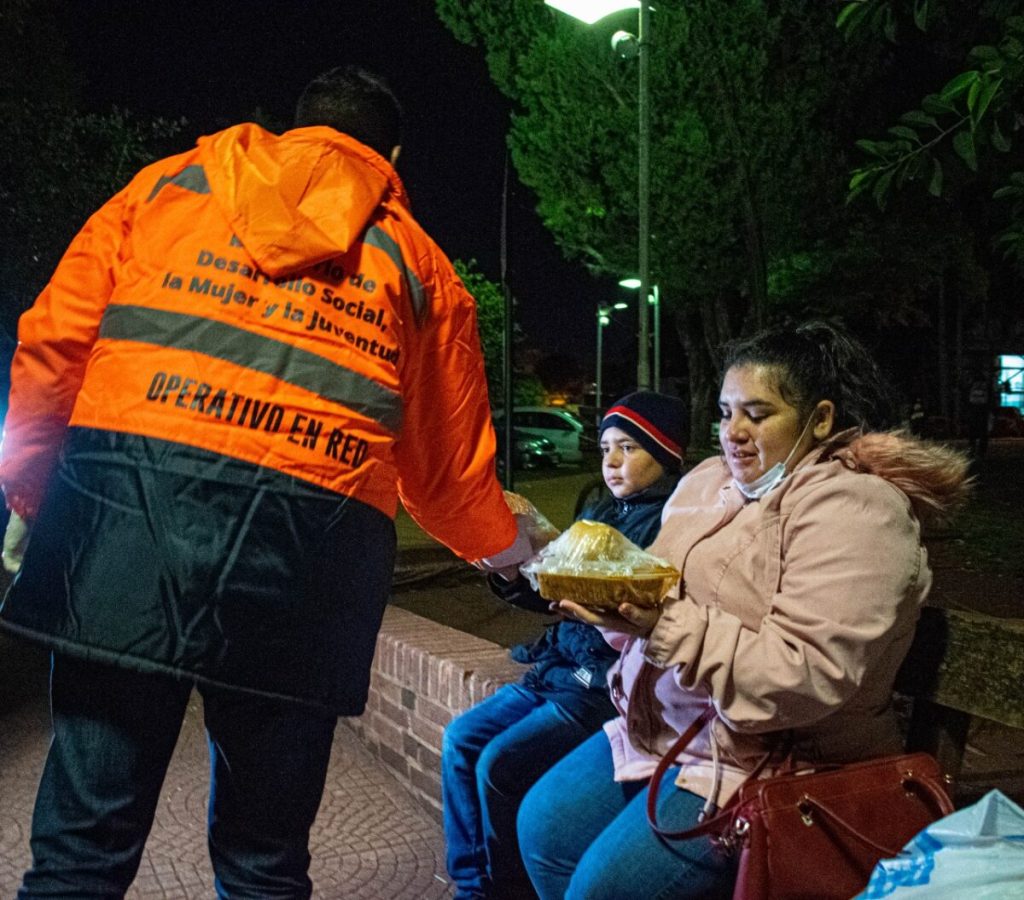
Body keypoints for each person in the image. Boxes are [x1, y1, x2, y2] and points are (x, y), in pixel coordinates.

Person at [0, 66, 533, 898]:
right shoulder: (418, 267)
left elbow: (50, 349)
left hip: (128, 526)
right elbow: (445, 472)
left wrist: (34, 494)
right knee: (264, 862)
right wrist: (511, 555)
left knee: (78, 852)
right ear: (389, 155)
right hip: (307, 567)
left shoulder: (166, 189)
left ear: (297, 129)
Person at [516, 321, 971, 900]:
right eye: (726, 413)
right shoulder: (711, 481)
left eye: (757, 414)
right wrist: (605, 604)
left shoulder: (859, 510)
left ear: (821, 419)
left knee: (601, 889)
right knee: (543, 827)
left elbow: (806, 674)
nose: (733, 433)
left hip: (774, 762)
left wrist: (663, 626)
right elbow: (649, 582)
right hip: (671, 729)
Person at [442, 391, 688, 900]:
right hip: (554, 669)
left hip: (594, 684)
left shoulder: (672, 521)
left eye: (629, 448)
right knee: (461, 740)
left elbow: (630, 613)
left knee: (499, 765)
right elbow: (557, 595)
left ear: (663, 453)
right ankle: (472, 885)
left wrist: (581, 586)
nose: (612, 462)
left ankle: (505, 889)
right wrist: (510, 567)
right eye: (604, 449)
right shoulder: (599, 509)